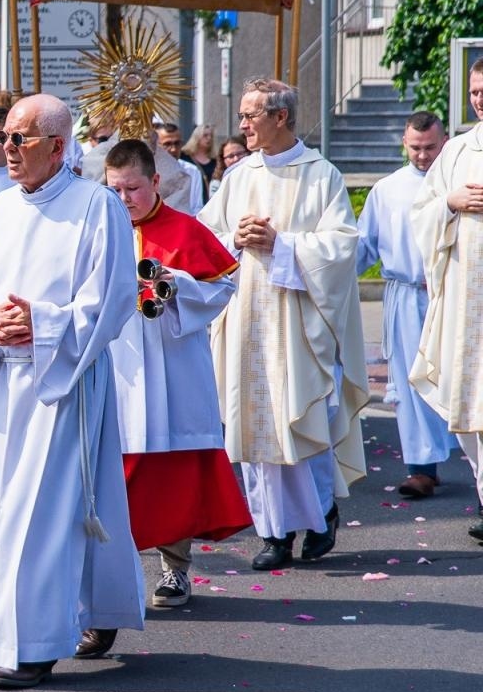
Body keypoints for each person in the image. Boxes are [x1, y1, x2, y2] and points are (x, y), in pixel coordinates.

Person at [0, 93, 144, 689]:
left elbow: (109, 300)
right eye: (5, 137)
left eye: (20, 138)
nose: (5, 149)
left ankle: (29, 645)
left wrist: (44, 323)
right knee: (29, 507)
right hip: (7, 380)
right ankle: (92, 609)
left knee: (37, 516)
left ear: (58, 146)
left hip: (64, 379)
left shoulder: (96, 207)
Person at [199, 78, 368, 570]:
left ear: (281, 118)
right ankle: (272, 533)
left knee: (299, 420)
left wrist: (282, 245)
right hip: (246, 315)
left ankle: (318, 517)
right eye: (243, 115)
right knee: (253, 426)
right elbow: (208, 236)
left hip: (296, 322)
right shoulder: (237, 176)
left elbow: (341, 246)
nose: (243, 124)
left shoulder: (321, 176)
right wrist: (235, 236)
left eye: (252, 115)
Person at [102, 140, 251, 611]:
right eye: (115, 189)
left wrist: (174, 283)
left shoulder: (186, 229)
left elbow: (223, 286)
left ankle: (175, 570)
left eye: (132, 188)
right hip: (114, 363)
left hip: (173, 365)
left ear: (155, 182)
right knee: (113, 469)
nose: (124, 198)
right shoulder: (96, 231)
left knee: (175, 470)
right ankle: (111, 571)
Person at [357, 113, 458, 499]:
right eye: (415, 148)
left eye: (430, 147)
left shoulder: (459, 184)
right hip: (405, 293)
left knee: (460, 376)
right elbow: (364, 246)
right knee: (411, 379)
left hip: (450, 292)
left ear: (444, 142)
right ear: (404, 143)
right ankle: (421, 469)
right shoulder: (387, 189)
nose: (421, 155)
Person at [410, 56, 483, 541]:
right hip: (466, 303)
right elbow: (421, 215)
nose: (480, 100)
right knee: (471, 408)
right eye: (476, 92)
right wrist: (449, 203)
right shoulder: (456, 151)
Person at [156, 120, 207, 207]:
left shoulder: (192, 171)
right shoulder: (149, 171)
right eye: (167, 144)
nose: (173, 149)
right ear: (157, 145)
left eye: (177, 143)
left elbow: (197, 207)